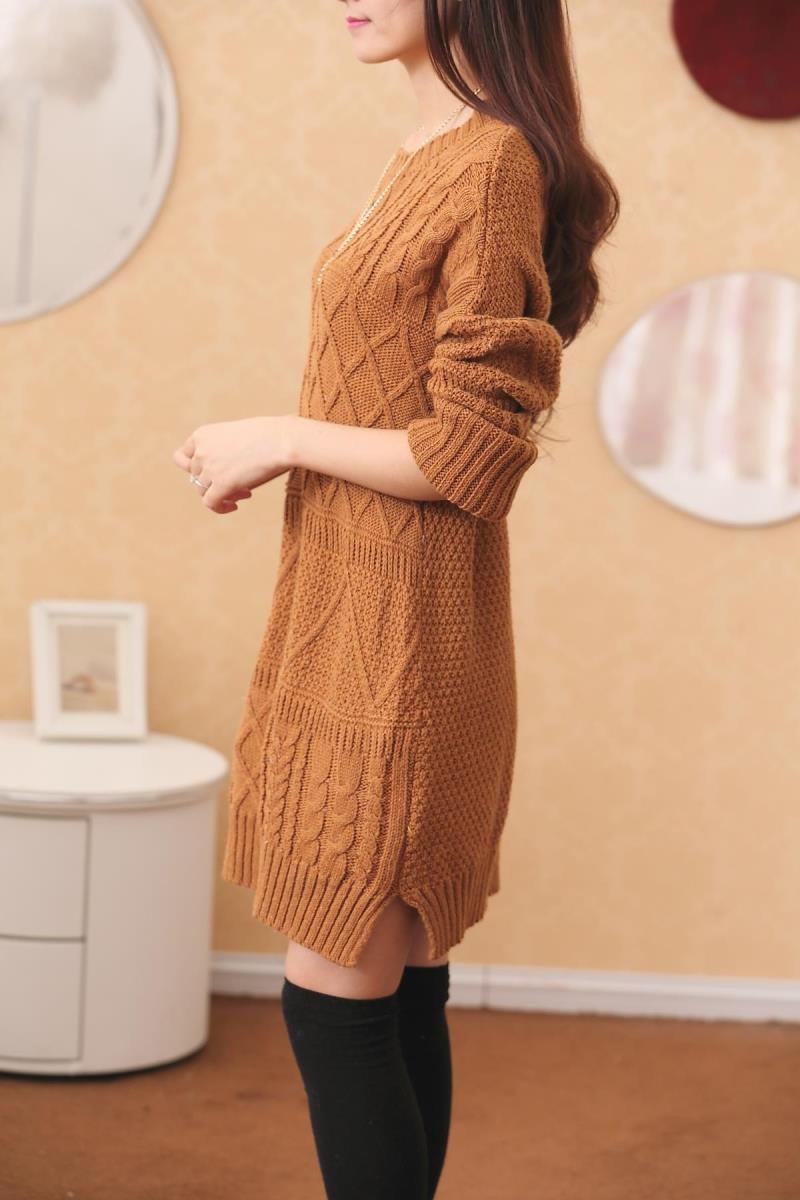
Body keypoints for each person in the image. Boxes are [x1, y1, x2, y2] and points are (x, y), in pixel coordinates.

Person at [173, 1, 619, 1196]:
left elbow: (471, 451)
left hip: (403, 645)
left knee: (337, 1008)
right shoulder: (430, 154)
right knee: (393, 990)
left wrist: (278, 435)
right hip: (360, 617)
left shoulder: (488, 166)